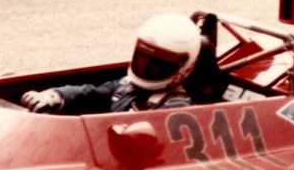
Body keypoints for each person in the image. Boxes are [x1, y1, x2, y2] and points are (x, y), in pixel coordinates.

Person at [21, 13, 204, 115]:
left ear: (183, 65)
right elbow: (93, 93)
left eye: (156, 63)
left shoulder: (176, 108)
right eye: (142, 57)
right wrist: (57, 96)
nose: (145, 67)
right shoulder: (127, 86)